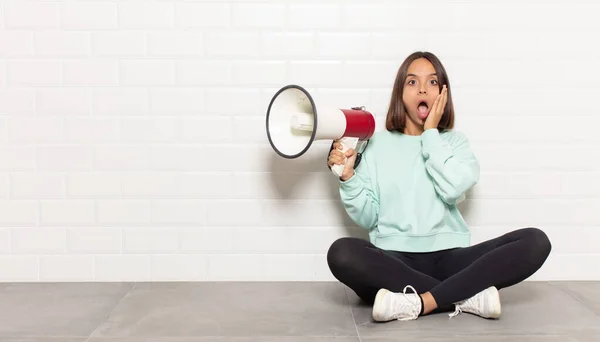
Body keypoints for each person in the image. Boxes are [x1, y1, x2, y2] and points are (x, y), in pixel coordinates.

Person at [326, 51, 552, 322]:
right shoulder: (375, 145)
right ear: (400, 93)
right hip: (394, 261)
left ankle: (419, 301)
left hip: (451, 260)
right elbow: (368, 217)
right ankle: (464, 295)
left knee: (535, 241)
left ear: (443, 93)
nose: (422, 88)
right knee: (341, 253)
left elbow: (453, 189)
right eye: (412, 82)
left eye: (432, 82)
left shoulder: (455, 143)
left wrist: (431, 134)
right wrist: (348, 177)